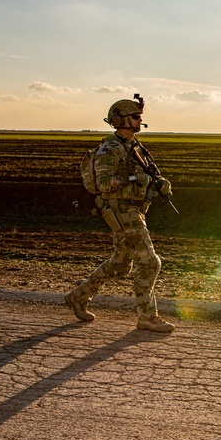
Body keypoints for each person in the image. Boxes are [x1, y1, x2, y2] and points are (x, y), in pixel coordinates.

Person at [65, 94, 176, 333]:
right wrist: (137, 178)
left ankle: (78, 295)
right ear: (121, 119)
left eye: (140, 116)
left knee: (119, 263)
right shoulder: (110, 148)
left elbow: (148, 174)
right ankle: (147, 316)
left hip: (134, 209)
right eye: (135, 116)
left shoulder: (134, 147)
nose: (139, 120)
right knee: (149, 260)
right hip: (121, 210)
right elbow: (104, 183)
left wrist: (160, 182)